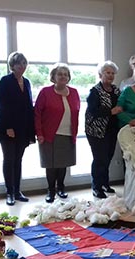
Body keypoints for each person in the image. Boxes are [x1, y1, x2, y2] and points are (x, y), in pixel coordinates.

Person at [0, 52, 36, 206]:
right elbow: (3, 105)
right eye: (19, 64)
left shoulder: (27, 82)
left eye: (24, 63)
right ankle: (9, 192)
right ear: (12, 66)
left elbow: (28, 107)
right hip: (7, 128)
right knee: (9, 159)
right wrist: (8, 127)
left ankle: (17, 191)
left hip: (23, 128)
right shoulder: (5, 81)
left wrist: (31, 131)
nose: (22, 67)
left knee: (18, 160)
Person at [35, 63, 80, 203]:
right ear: (53, 76)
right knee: (51, 164)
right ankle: (51, 190)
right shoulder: (45, 92)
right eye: (60, 74)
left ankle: (61, 187)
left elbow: (76, 113)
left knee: (63, 163)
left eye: (65, 74)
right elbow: (36, 113)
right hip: (49, 133)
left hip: (68, 132)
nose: (63, 76)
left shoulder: (74, 92)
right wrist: (39, 133)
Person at [85, 61, 123, 199]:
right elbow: (93, 110)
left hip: (112, 130)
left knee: (108, 158)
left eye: (113, 73)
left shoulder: (116, 90)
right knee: (99, 159)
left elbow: (122, 105)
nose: (111, 75)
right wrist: (111, 111)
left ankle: (105, 184)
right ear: (101, 74)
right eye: (108, 72)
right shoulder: (94, 91)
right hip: (96, 130)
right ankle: (96, 187)